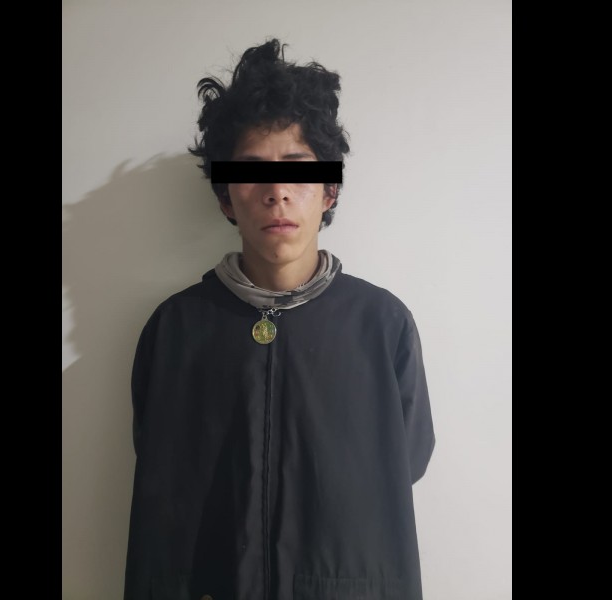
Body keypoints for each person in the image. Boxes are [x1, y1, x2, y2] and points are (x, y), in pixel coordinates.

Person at [124, 38, 435, 600]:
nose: (277, 193)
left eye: (298, 170)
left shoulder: (381, 325)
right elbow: (157, 464)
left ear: (330, 190)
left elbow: (406, 459)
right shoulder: (176, 329)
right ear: (225, 198)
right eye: (250, 174)